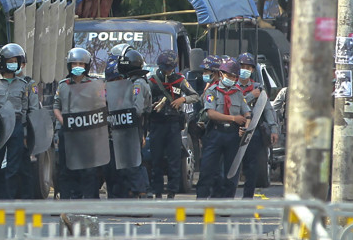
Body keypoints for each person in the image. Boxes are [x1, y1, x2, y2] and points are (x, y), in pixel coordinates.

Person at [145, 50, 199, 199]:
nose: (168, 71)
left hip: (174, 124)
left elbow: (195, 96)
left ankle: (172, 192)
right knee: (156, 159)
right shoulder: (152, 81)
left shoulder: (180, 80)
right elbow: (145, 101)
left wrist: (182, 100)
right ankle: (157, 191)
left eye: (170, 68)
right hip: (157, 124)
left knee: (174, 159)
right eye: (165, 68)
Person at [54, 47, 106, 199]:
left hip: (87, 133)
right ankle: (65, 201)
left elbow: (101, 106)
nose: (77, 67)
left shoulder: (94, 85)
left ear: (87, 66)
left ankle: (89, 202)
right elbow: (56, 106)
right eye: (74, 64)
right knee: (65, 168)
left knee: (88, 170)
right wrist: (64, 122)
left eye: (81, 64)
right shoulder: (63, 85)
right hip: (68, 132)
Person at [197, 57, 249, 199]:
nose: (232, 78)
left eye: (234, 76)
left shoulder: (238, 93)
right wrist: (233, 118)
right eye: (229, 75)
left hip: (232, 135)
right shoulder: (212, 91)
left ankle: (225, 203)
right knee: (208, 169)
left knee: (231, 172)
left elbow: (247, 113)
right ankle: (200, 202)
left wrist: (246, 127)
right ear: (221, 74)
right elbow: (211, 113)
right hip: (215, 133)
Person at [0, 43, 37, 200]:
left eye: (16, 61)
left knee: (13, 166)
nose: (13, 64)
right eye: (10, 60)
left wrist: (25, 133)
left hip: (17, 126)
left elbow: (26, 110)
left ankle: (10, 200)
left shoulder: (24, 85)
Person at [105, 47, 151, 199]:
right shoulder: (131, 82)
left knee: (132, 164)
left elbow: (136, 110)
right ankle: (129, 194)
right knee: (125, 164)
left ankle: (142, 193)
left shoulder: (137, 84)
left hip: (131, 127)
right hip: (125, 127)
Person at [235, 53, 277, 199]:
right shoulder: (232, 86)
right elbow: (235, 105)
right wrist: (251, 96)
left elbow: (267, 110)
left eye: (248, 67)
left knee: (251, 167)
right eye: (242, 67)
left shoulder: (258, 88)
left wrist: (274, 129)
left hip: (254, 132)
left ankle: (247, 199)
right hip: (234, 130)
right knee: (231, 166)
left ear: (252, 70)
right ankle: (227, 198)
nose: (244, 70)